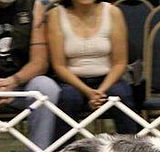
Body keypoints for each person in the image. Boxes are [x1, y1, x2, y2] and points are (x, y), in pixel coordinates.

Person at [47, 0, 138, 139]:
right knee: (67, 98)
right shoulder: (55, 14)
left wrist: (100, 91)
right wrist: (87, 91)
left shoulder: (113, 12)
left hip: (109, 79)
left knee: (121, 95)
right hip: (72, 80)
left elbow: (120, 63)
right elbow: (59, 65)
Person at [0, 0, 60, 152]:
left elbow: (40, 62)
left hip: (22, 86)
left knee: (46, 87)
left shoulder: (33, 6)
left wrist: (12, 82)